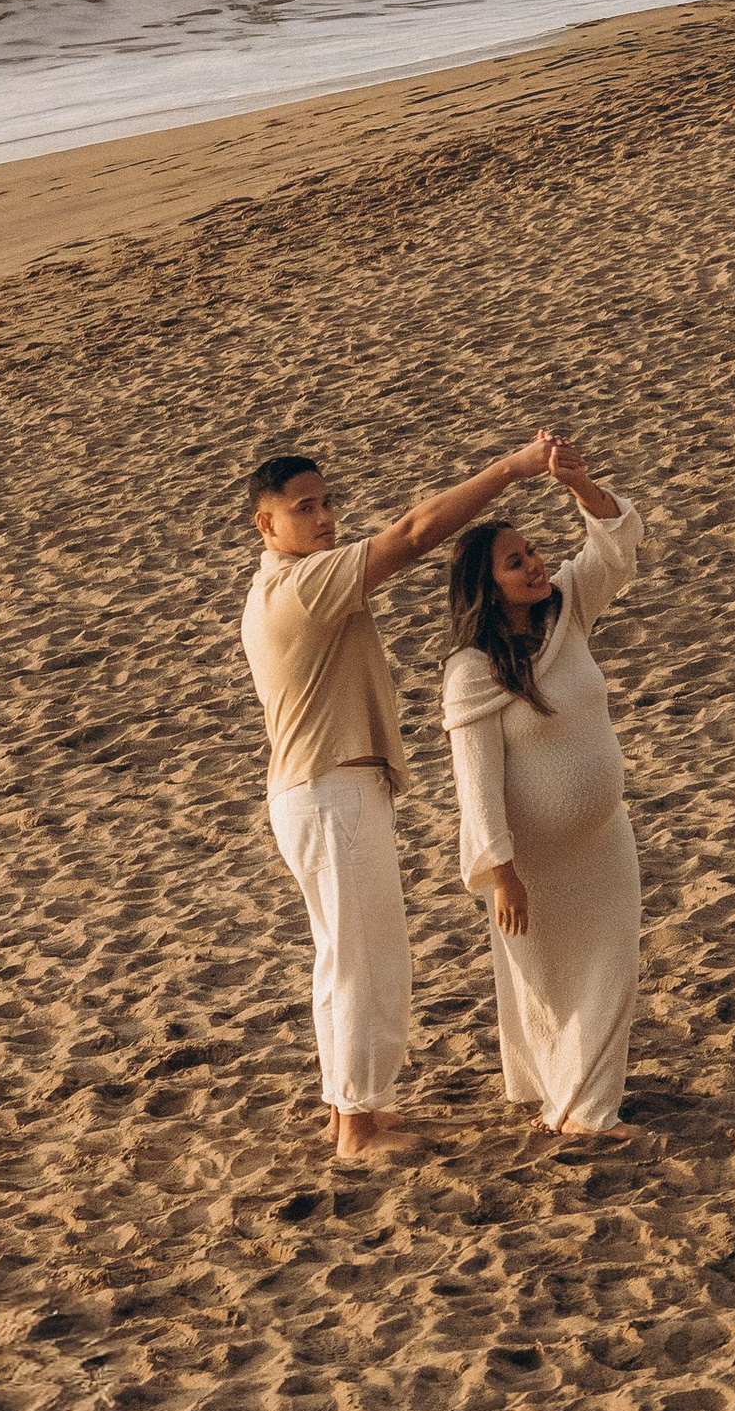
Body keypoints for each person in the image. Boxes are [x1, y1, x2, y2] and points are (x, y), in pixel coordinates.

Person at [243, 435, 561, 1165]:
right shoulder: (301, 586)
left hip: (322, 792)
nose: (324, 518)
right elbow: (416, 533)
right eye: (304, 509)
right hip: (331, 793)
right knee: (364, 960)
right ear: (267, 525)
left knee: (346, 957)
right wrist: (510, 469)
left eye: (327, 503)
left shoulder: (283, 586)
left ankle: (354, 1110)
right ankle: (356, 1125)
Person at [443, 438, 649, 1146]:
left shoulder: (568, 610)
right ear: (486, 584)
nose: (533, 565)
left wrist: (581, 485)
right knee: (551, 981)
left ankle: (584, 1105)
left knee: (613, 963)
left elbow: (618, 545)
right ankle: (576, 1108)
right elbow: (475, 781)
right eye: (515, 562)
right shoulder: (472, 669)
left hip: (603, 838)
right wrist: (501, 872)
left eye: (532, 553)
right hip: (532, 863)